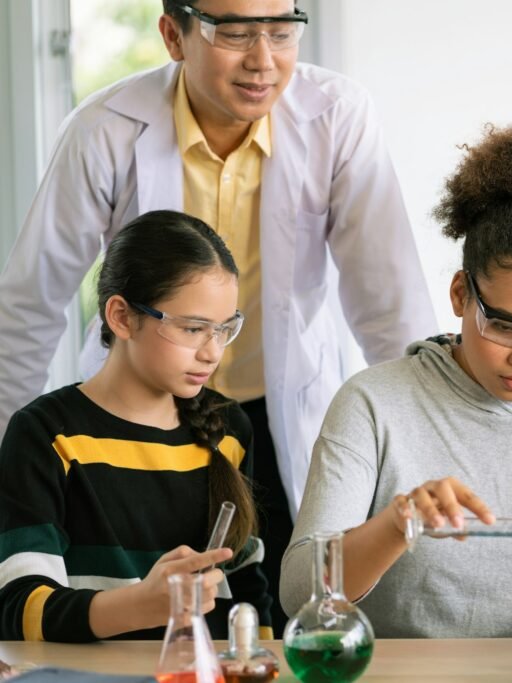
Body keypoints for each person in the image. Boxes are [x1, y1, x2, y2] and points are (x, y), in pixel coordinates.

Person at [0, 0, 436, 633]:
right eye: (235, 33)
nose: (263, 60)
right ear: (174, 34)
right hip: (137, 419)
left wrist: (423, 458)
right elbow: (30, 305)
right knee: (118, 593)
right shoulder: (105, 128)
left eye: (283, 31)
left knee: (271, 610)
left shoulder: (336, 115)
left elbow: (389, 305)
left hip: (262, 422)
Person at [280, 116, 512, 638]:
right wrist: (397, 523)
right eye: (503, 326)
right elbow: (299, 593)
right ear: (459, 294)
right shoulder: (374, 404)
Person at [0, 211, 272, 642]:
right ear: (122, 317)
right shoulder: (45, 435)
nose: (212, 352)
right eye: (194, 328)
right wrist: (142, 605)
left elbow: (250, 594)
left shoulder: (230, 431)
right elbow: (17, 609)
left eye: (225, 329)